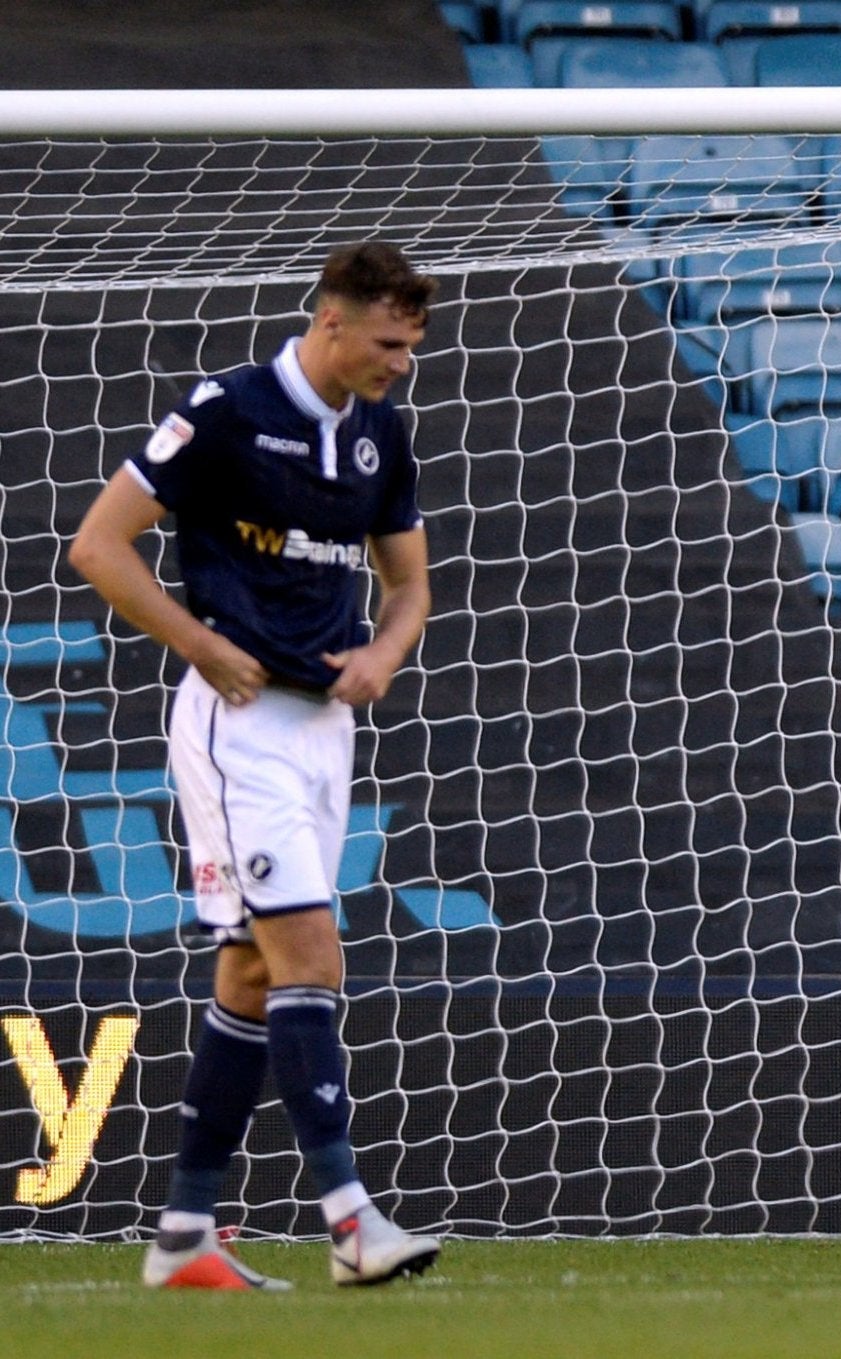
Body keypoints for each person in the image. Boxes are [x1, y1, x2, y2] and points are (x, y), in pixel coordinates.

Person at [69, 241, 444, 1289]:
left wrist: (381, 652)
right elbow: (99, 545)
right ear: (331, 324)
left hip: (327, 728)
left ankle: (186, 1235)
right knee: (311, 955)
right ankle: (351, 1223)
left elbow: (408, 585)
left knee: (248, 967)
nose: (400, 363)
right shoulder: (228, 411)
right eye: (387, 342)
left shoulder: (379, 433)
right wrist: (197, 643)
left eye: (410, 346)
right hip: (239, 726)